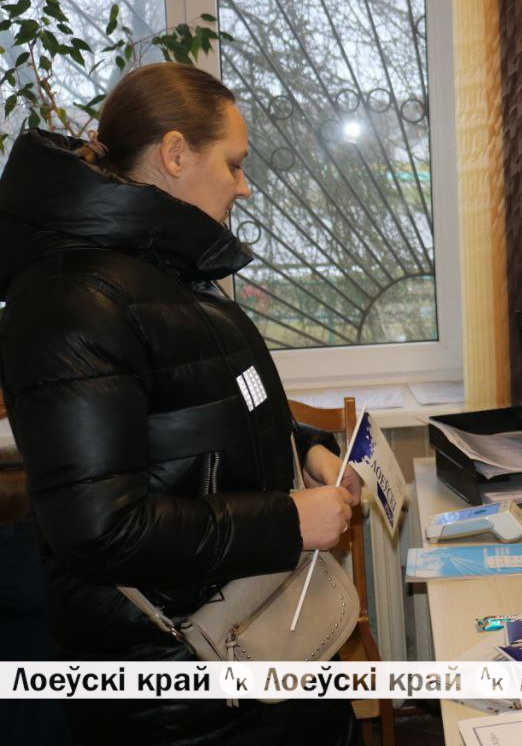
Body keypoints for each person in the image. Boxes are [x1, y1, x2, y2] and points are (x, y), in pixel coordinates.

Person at [0, 63, 363, 745]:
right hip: (178, 695)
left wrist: (306, 446)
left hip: (252, 650)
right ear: (174, 153)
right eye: (233, 164)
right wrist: (289, 519)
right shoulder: (71, 302)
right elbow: (104, 528)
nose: (244, 186)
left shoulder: (169, 274)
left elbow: (209, 418)